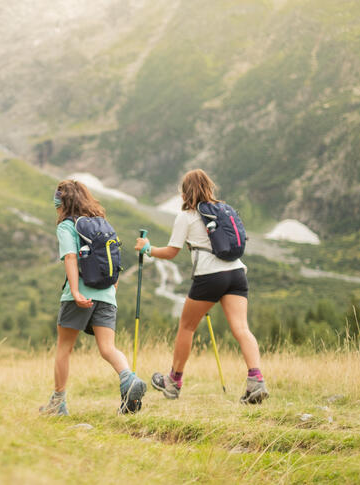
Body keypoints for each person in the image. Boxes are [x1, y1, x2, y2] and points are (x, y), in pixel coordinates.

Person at [134, 168, 268, 404]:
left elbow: (171, 252)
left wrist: (148, 248)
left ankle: (173, 382)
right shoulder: (223, 210)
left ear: (184, 192)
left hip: (210, 276)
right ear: (209, 187)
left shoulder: (186, 216)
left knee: (186, 327)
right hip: (237, 272)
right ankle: (256, 380)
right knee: (241, 328)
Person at [40, 179, 146, 416]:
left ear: (62, 203)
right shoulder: (102, 224)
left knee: (64, 348)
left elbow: (70, 257)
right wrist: (110, 291)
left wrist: (76, 292)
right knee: (108, 348)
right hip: (108, 294)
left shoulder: (67, 225)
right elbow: (113, 260)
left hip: (80, 293)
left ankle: (58, 404)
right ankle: (128, 379)